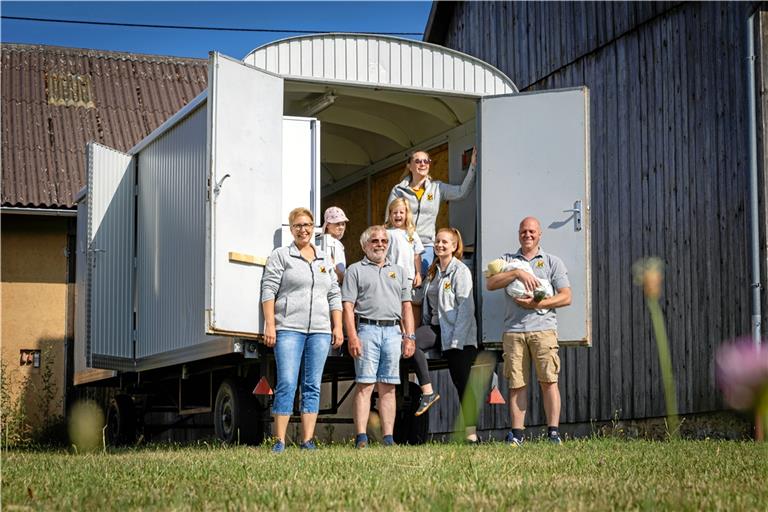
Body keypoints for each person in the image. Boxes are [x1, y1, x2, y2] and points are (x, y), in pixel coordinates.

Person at [261, 207, 344, 453]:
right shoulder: (281, 256)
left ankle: (307, 440)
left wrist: (337, 326)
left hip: (320, 331)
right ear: (291, 229)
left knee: (312, 384)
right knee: (287, 382)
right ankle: (280, 441)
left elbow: (334, 293)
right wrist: (270, 324)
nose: (303, 230)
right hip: (288, 329)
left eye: (307, 225)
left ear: (314, 228)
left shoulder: (323, 259)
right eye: (298, 226)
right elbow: (269, 290)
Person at [485, 216, 572, 445]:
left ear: (540, 234)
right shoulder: (507, 260)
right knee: (517, 384)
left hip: (544, 330)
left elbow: (566, 296)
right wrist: (516, 274)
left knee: (548, 381)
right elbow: (490, 284)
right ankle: (518, 435)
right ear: (518, 234)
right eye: (524, 231)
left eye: (532, 231)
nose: (528, 235)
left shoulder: (553, 262)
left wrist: (539, 304)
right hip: (514, 331)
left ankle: (553, 433)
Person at [342, 225, 415, 448]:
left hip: (394, 332)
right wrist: (352, 336)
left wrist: (409, 336)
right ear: (365, 245)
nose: (380, 244)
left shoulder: (400, 271)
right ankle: (362, 437)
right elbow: (347, 307)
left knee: (389, 386)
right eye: (375, 241)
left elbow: (407, 307)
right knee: (364, 385)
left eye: (384, 241)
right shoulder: (355, 270)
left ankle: (388, 438)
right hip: (367, 331)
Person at [411, 227, 479, 443]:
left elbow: (466, 310)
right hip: (436, 328)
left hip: (459, 335)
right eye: (437, 241)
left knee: (462, 383)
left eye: (444, 242)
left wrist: (456, 342)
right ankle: (428, 391)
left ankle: (471, 434)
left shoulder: (460, 271)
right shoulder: (433, 271)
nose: (439, 245)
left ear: (454, 246)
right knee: (411, 343)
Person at [386, 147, 477, 277]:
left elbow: (461, 192)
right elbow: (389, 218)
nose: (423, 164)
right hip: (403, 244)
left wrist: (472, 166)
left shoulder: (437, 188)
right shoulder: (399, 190)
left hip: (426, 245)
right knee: (400, 278)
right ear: (409, 166)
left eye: (426, 161)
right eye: (418, 161)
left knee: (421, 279)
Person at [385, 197, 424, 294]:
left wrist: (418, 273)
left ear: (407, 214)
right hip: (391, 275)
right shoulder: (387, 233)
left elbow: (417, 255)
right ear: (390, 215)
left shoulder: (412, 234)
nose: (398, 215)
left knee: (407, 303)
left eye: (401, 212)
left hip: (408, 276)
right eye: (394, 212)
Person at [320, 206, 349, 284]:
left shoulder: (321, 241)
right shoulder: (331, 242)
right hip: (334, 284)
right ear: (328, 225)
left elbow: (321, 267)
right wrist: (342, 279)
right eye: (337, 224)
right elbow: (339, 267)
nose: (341, 227)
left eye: (343, 224)